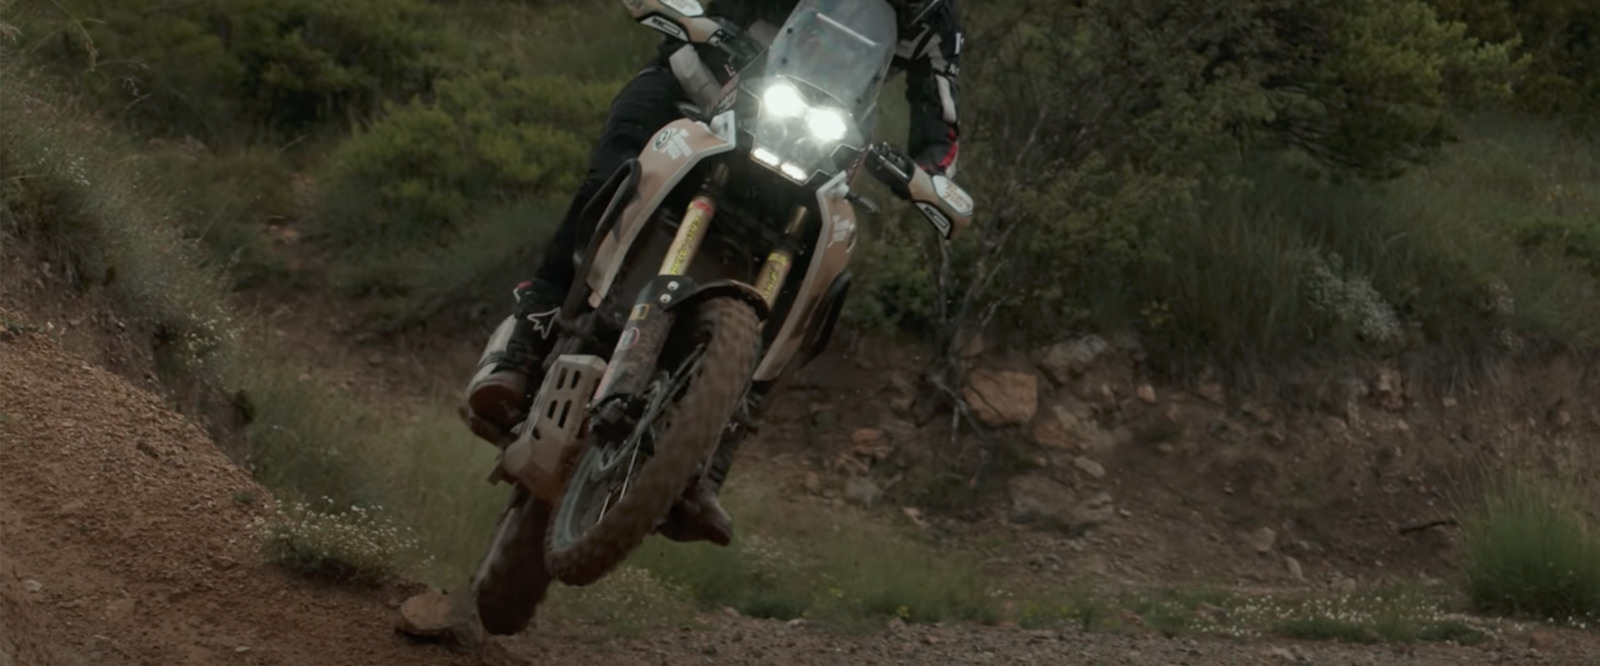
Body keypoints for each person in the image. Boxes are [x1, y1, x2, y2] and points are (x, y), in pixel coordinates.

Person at [462, 0, 963, 545]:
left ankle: (712, 459)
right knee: (610, 175)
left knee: (827, 275)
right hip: (697, 84)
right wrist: (697, 21)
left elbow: (941, 120)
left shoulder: (933, 20)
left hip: (817, 145)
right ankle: (526, 341)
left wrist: (930, 175)